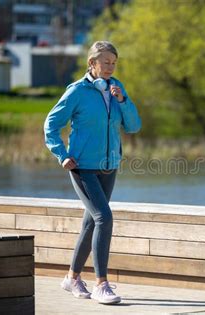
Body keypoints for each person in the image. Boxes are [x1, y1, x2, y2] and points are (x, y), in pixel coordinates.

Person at [43, 41, 141, 304]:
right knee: (104, 218)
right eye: (106, 62)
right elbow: (50, 125)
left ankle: (72, 278)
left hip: (109, 167)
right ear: (92, 63)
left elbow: (133, 126)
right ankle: (101, 284)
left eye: (114, 63)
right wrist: (62, 155)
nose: (110, 67)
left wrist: (123, 100)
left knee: (91, 222)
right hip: (82, 167)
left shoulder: (116, 89)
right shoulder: (77, 92)